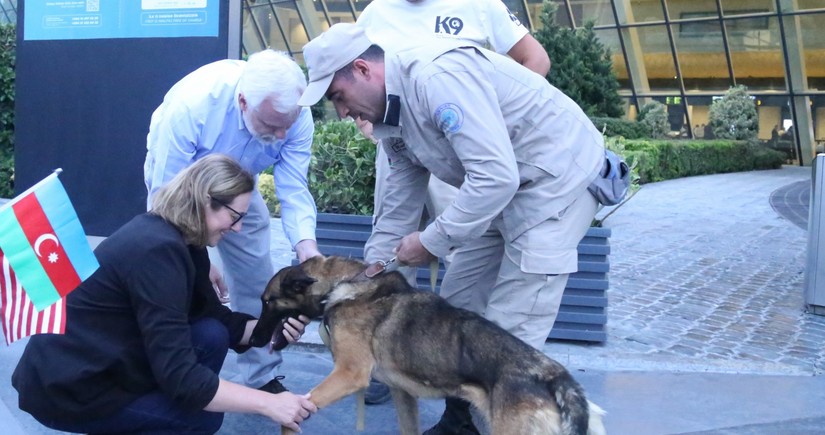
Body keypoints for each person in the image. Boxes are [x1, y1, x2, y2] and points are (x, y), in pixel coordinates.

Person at [298, 23, 604, 435]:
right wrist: (369, 280)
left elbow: (495, 176)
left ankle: (509, 422)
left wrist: (430, 242)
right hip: (498, 191)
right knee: (452, 312)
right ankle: (463, 423)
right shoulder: (391, 120)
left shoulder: (436, 78)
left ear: (363, 69)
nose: (341, 112)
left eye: (338, 96)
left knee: (508, 330)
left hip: (555, 180)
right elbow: (397, 211)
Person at [12, 155, 317, 434]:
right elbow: (181, 377)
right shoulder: (156, 253)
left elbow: (212, 316)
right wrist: (268, 403)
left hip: (108, 360)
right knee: (201, 417)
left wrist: (268, 329)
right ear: (205, 200)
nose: (238, 229)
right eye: (236, 217)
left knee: (210, 334)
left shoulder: (184, 239)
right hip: (71, 388)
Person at [355, 0, 552, 407]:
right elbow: (355, 72)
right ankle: (383, 362)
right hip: (398, 144)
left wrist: (487, 122)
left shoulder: (482, 5)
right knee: (389, 247)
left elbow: (535, 59)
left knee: (461, 258)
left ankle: (456, 387)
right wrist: (362, 113)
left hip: (464, 150)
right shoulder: (375, 12)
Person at [144, 49, 322, 395]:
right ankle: (173, 366)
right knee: (178, 278)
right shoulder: (191, 106)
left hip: (243, 184)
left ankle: (262, 373)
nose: (282, 135)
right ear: (243, 101)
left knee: (259, 278)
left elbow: (293, 187)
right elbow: (165, 196)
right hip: (183, 186)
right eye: (272, 126)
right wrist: (199, 255)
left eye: (289, 125)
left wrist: (306, 247)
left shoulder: (294, 112)